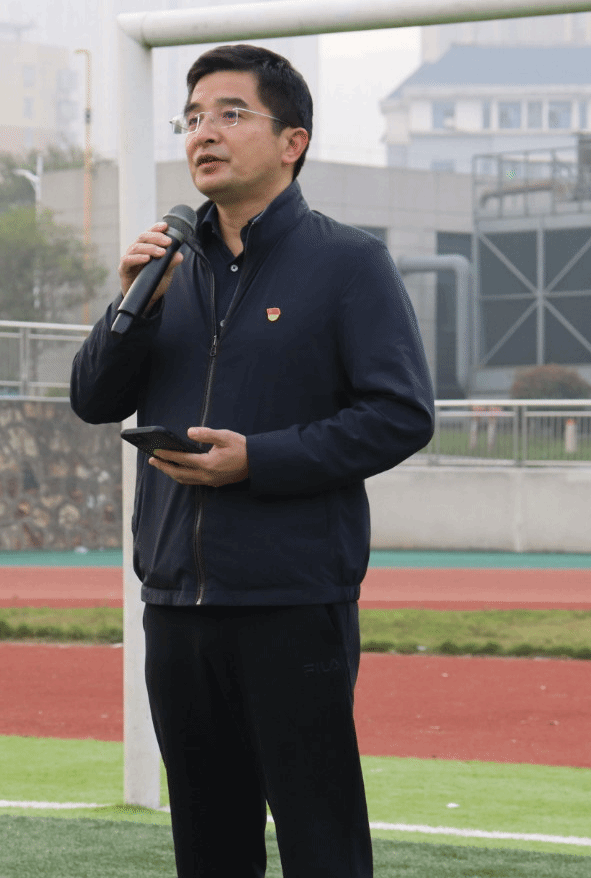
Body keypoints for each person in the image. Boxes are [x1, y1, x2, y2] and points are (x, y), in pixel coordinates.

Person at [70, 44, 434, 877]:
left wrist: (257, 461)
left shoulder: (349, 264)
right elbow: (93, 399)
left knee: (320, 844)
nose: (204, 132)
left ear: (292, 141)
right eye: (193, 117)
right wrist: (131, 306)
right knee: (209, 849)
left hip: (292, 602)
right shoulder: (168, 268)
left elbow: (401, 415)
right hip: (176, 605)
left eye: (231, 114)